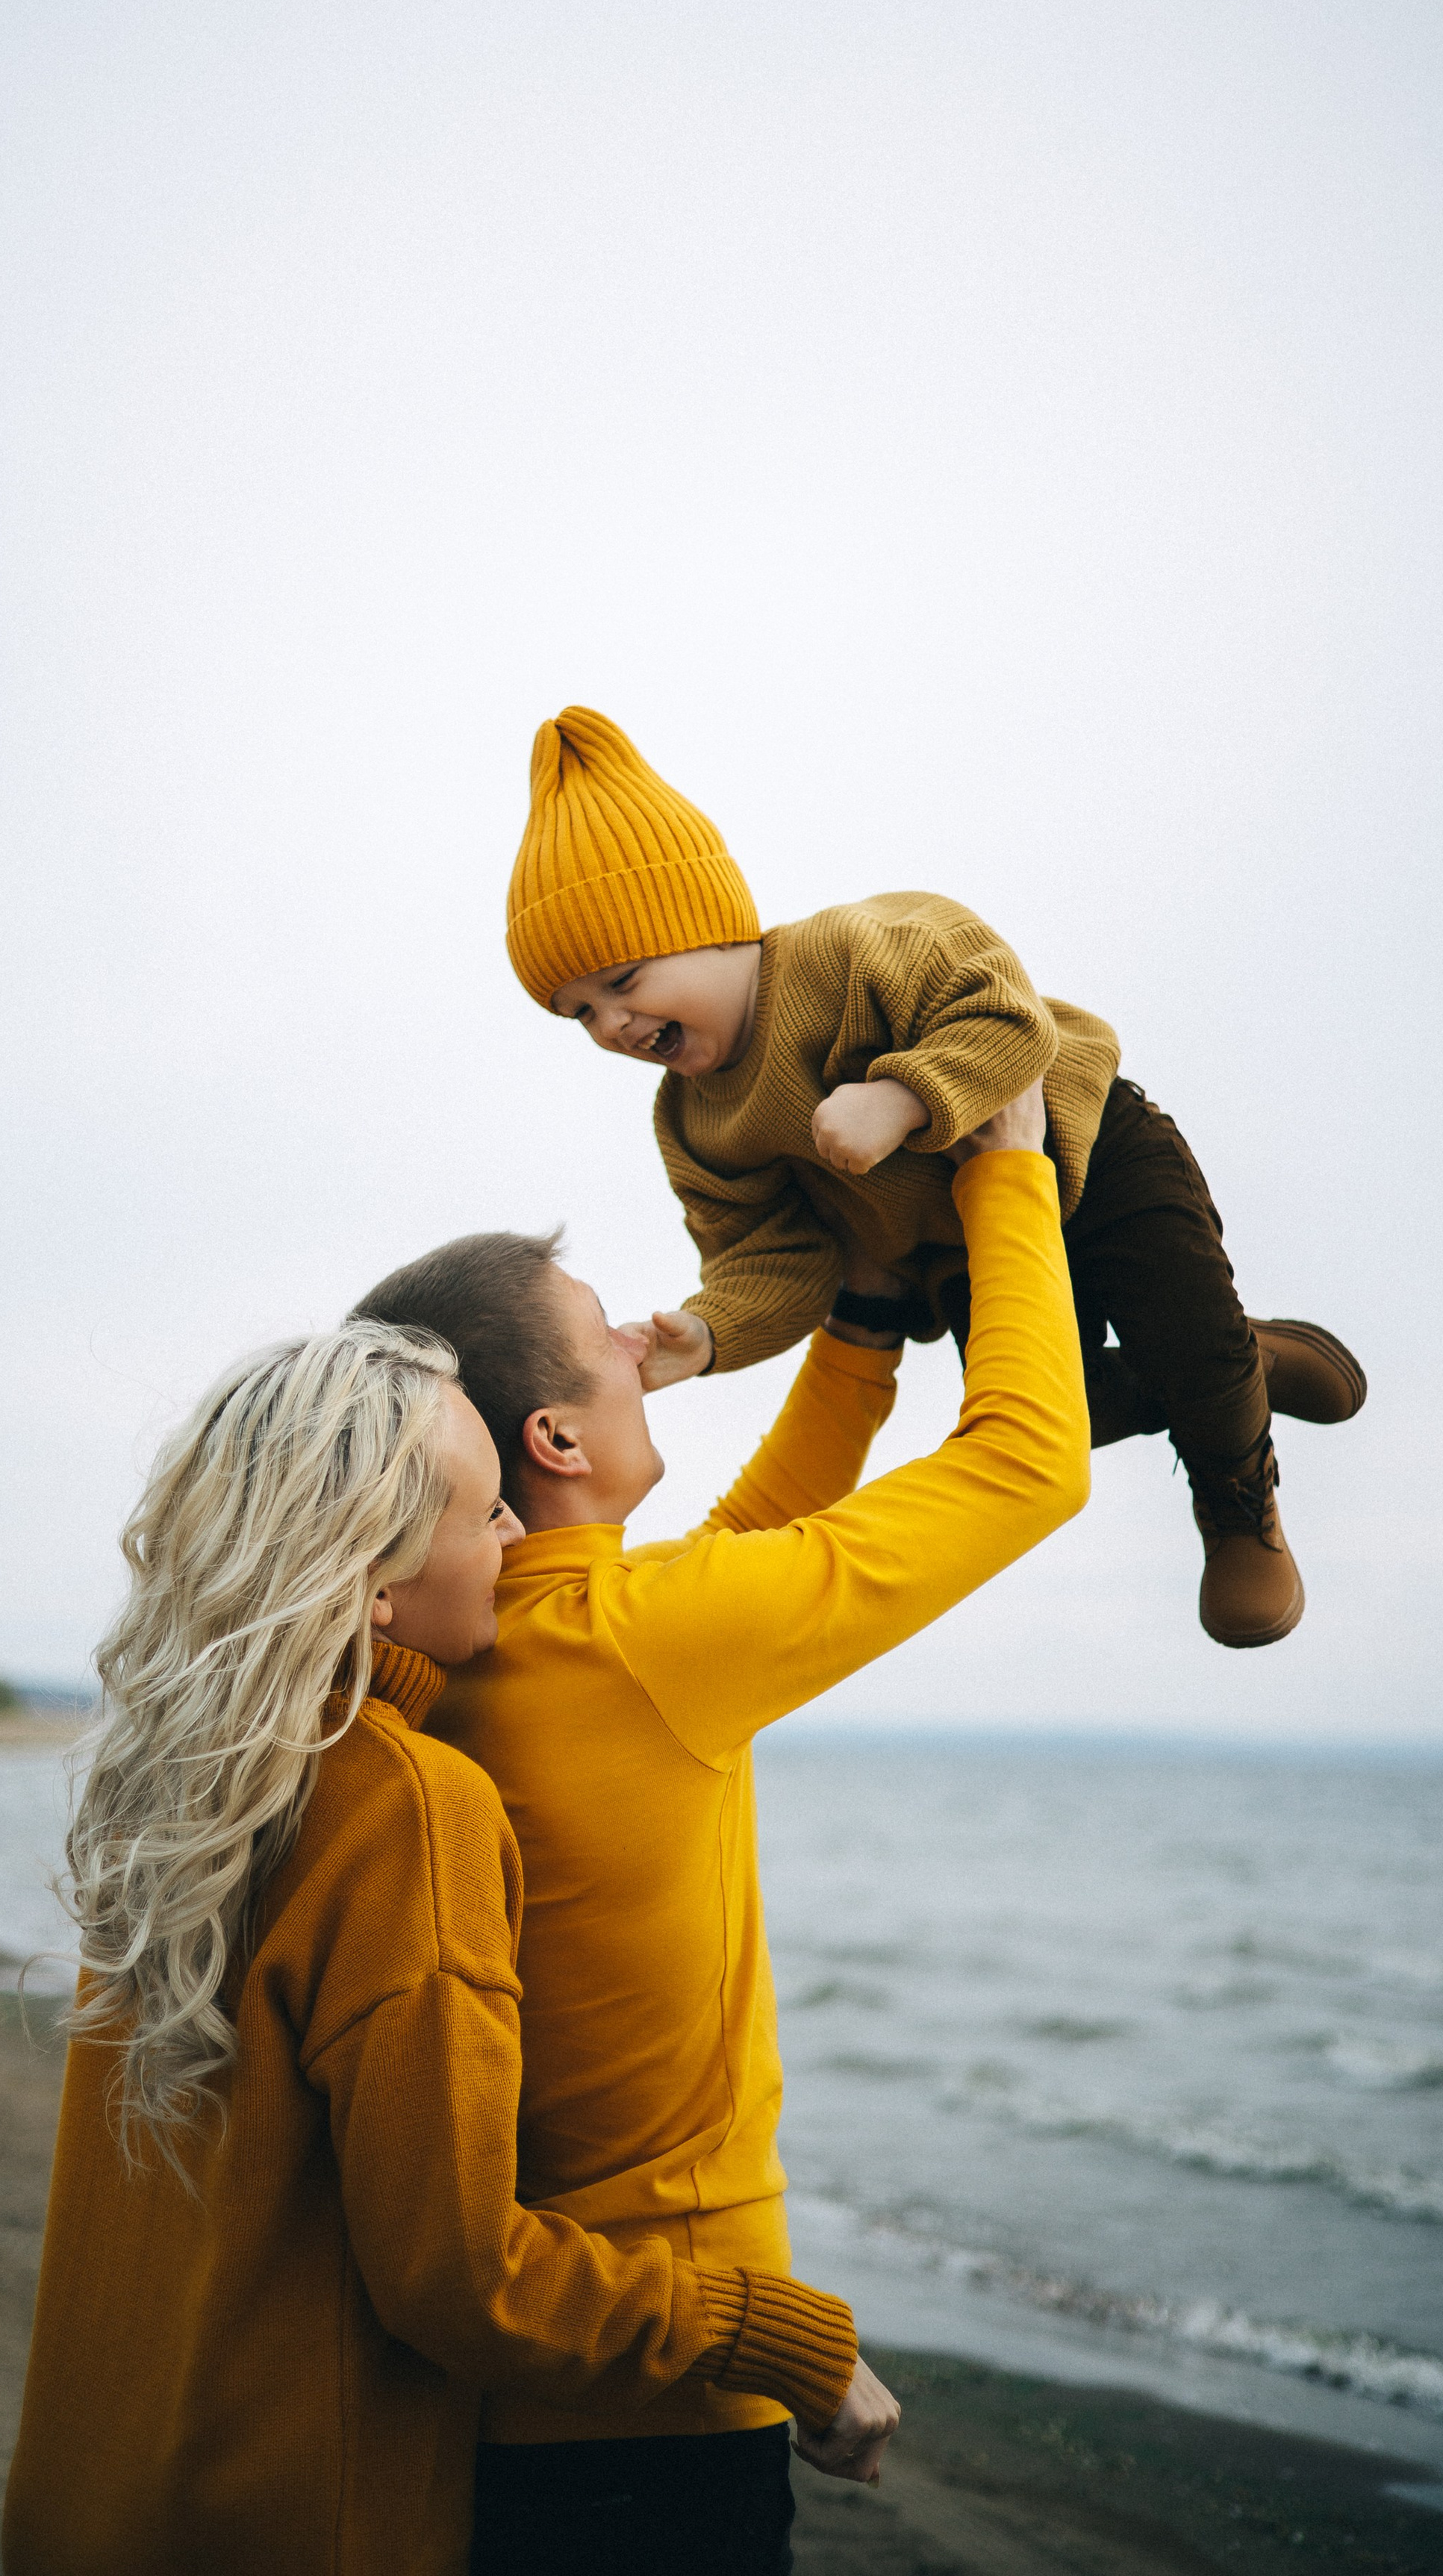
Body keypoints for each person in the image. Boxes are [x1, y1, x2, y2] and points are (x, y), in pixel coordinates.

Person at [1, 1325, 894, 2576]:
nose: (519, 1534)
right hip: (296, 2535)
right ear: (374, 1580)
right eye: (485, 1512)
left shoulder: (176, 1792)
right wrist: (776, 2333)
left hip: (91, 2507)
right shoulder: (408, 1808)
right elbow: (462, 2280)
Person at [353, 1075, 1088, 2572]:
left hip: (516, 2388)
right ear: (554, 1439)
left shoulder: (477, 1651)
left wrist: (863, 1325)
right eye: (606, 1334)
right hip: (671, 2391)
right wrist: (1008, 1173)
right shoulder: (647, 1645)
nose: (642, 1341)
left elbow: (747, 1548)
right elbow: (1030, 1463)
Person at [502, 705, 1367, 1648]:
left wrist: (904, 1097)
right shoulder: (692, 1121)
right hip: (961, 1243)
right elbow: (774, 1258)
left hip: (1090, 1150)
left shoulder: (856, 950)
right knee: (1064, 1413)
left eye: (623, 982)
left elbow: (1010, 1018)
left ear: (711, 926)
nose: (612, 1026)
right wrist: (710, 1335)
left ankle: (1239, 1508)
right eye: (578, 1013)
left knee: (1185, 1339)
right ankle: (1238, 1362)